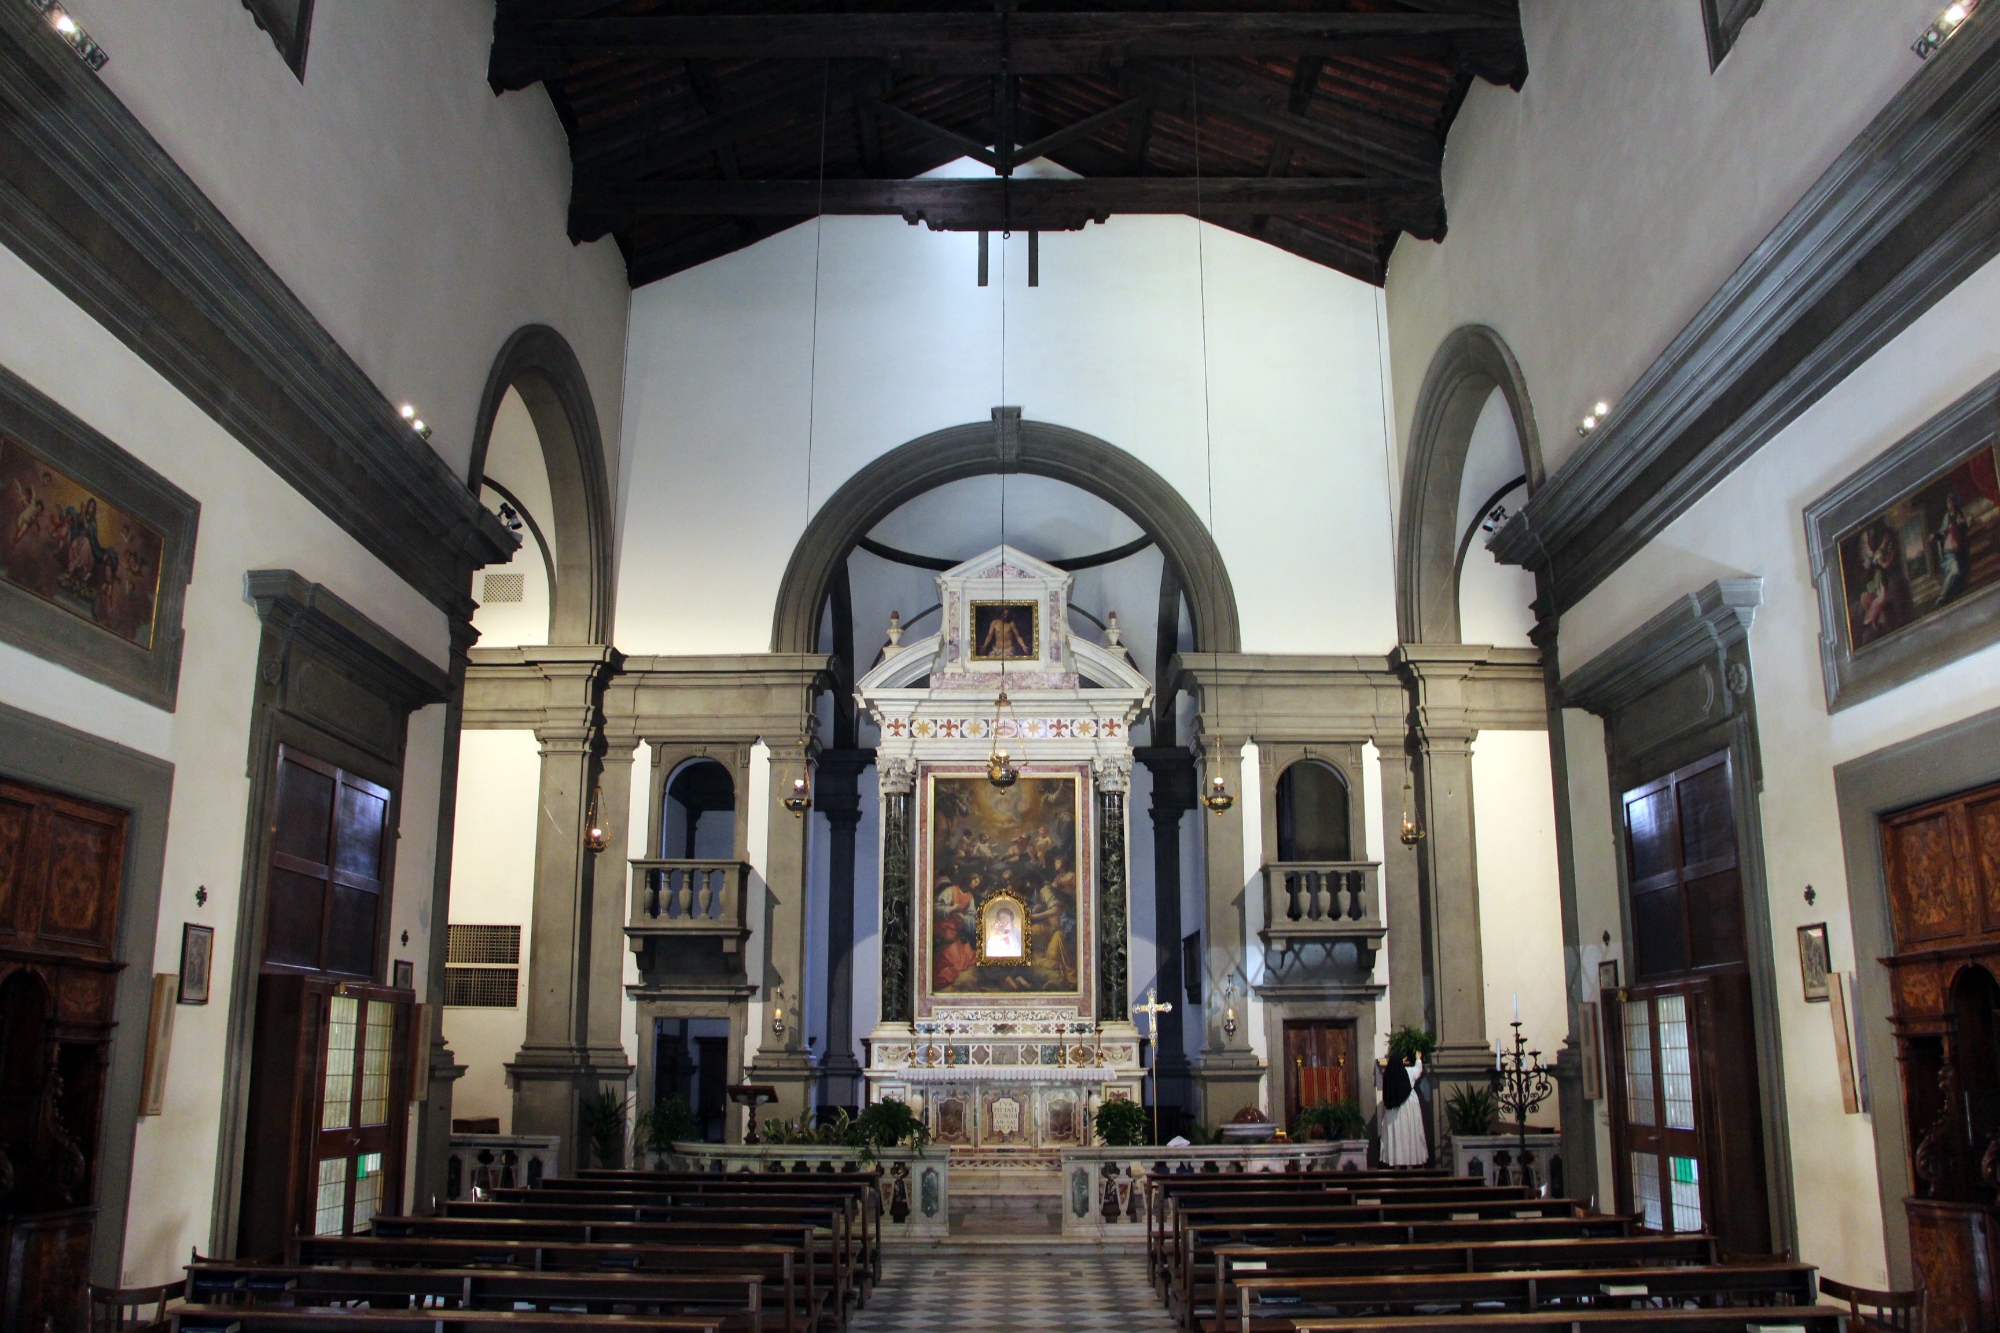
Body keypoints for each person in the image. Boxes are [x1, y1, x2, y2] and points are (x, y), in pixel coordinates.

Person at [1376, 1051, 1428, 1167]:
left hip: (1392, 1112)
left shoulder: (1388, 1075)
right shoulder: (1408, 1072)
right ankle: (1410, 1162)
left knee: (1397, 1137)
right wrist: (1418, 1058)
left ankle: (1396, 1163)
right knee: (1409, 1135)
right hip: (1409, 1108)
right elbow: (1418, 1070)